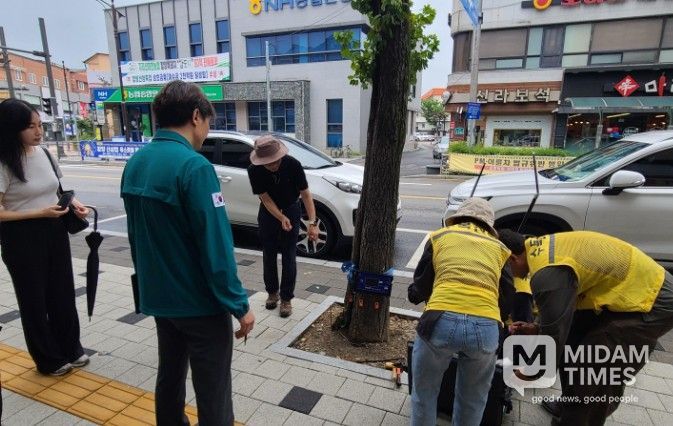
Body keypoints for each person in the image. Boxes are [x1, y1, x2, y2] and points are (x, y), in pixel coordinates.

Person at [121, 80, 255, 426]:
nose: (206, 131)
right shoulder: (194, 167)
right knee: (213, 389)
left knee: (170, 373)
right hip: (199, 304)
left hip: (159, 297)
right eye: (208, 122)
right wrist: (239, 305)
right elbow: (216, 245)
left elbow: (136, 237)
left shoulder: (136, 162)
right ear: (196, 116)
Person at [499, 229, 673, 426]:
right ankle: (570, 405)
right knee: (573, 341)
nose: (508, 276)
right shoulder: (536, 250)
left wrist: (529, 372)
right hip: (622, 292)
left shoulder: (546, 272)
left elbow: (553, 337)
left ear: (512, 259)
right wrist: (537, 327)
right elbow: (560, 317)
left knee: (594, 367)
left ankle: (579, 416)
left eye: (503, 270)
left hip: (652, 299)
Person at [0, 99, 89, 376]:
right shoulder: (3, 162)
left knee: (62, 293)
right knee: (34, 301)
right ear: (11, 129)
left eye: (40, 125)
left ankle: (71, 348)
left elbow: (58, 189)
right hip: (21, 238)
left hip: (54, 229)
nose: (38, 132)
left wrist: (75, 204)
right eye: (30, 127)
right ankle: (48, 359)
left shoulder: (44, 153)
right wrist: (39, 212)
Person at [407, 197, 512, 426]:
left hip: (439, 321)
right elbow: (507, 296)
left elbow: (422, 285)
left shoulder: (440, 237)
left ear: (458, 218)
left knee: (424, 394)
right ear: (489, 225)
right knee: (472, 401)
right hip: (486, 327)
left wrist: (414, 294)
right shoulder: (500, 249)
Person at [247, 135, 318, 318]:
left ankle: (286, 298)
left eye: (275, 161)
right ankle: (272, 292)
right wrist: (280, 217)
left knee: (289, 254)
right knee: (268, 253)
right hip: (268, 212)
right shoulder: (254, 170)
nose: (273, 165)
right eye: (268, 163)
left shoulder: (293, 164)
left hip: (291, 207)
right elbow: (265, 198)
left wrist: (312, 223)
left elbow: (306, 194)